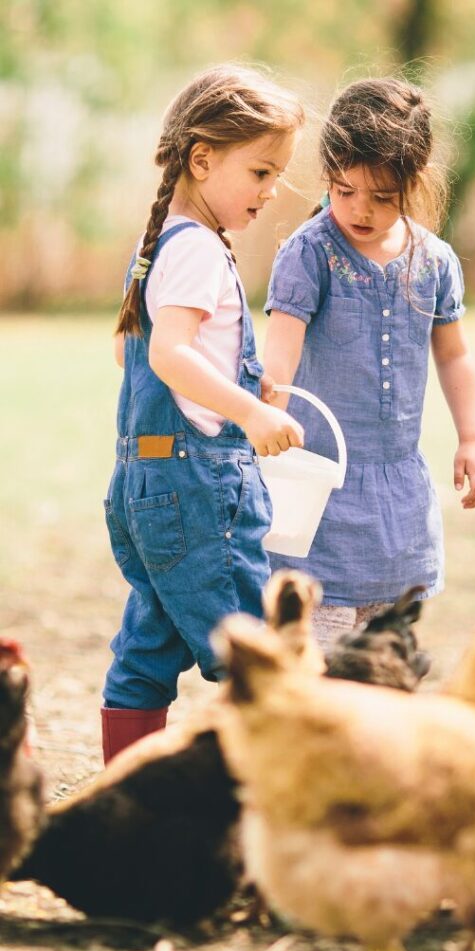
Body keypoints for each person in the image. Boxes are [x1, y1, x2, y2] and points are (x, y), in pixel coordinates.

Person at [102, 65, 306, 763]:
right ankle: (267, 798)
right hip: (195, 492)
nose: (271, 190)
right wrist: (248, 412)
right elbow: (168, 356)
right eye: (261, 171)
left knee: (149, 647)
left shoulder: (163, 244)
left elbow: (147, 364)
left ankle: (127, 793)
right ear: (202, 158)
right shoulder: (195, 251)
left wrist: (243, 390)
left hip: (147, 489)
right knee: (253, 651)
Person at [263, 78, 475, 647]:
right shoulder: (309, 254)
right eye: (345, 191)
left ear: (413, 184)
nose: (361, 209)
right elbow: (280, 354)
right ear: (328, 177)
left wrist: (472, 439)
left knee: (388, 659)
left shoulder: (434, 261)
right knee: (321, 657)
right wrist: (267, 417)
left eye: (383, 197)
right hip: (319, 492)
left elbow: (455, 355)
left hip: (398, 501)